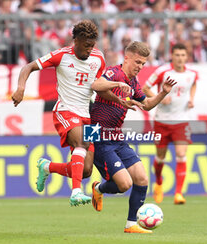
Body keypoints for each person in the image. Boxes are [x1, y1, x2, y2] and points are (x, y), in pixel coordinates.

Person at [11, 20, 130, 206]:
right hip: (65, 111)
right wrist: (20, 88)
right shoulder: (61, 55)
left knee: (86, 170)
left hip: (88, 115)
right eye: (86, 45)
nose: (89, 49)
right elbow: (28, 67)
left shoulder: (98, 59)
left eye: (92, 45)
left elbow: (98, 87)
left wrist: (118, 100)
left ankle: (47, 167)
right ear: (76, 40)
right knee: (81, 142)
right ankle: (75, 192)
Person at [90, 41, 176, 233]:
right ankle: (99, 189)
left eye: (143, 64)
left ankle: (131, 224)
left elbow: (146, 105)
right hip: (98, 136)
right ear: (126, 57)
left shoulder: (134, 83)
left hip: (116, 137)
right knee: (124, 184)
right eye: (137, 62)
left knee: (142, 179)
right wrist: (117, 84)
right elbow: (96, 84)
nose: (140, 66)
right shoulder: (115, 73)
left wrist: (163, 92)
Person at [142, 43, 197, 205]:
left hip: (181, 120)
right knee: (160, 157)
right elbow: (145, 88)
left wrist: (192, 99)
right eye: (177, 55)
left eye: (183, 55)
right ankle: (158, 182)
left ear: (187, 57)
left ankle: (178, 193)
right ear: (172, 56)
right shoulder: (163, 71)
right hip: (162, 121)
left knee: (181, 154)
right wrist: (160, 97)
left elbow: (193, 85)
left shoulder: (192, 74)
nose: (180, 58)